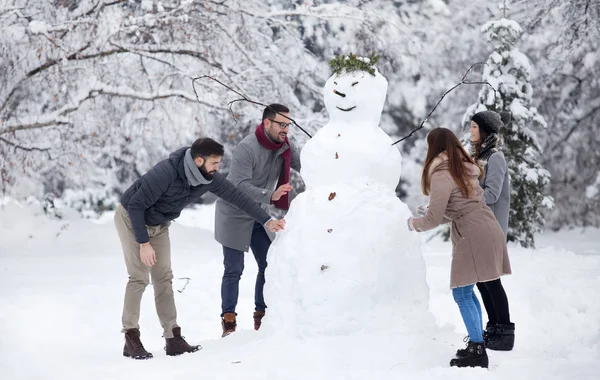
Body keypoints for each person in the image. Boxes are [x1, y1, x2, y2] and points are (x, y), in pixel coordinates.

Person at [115, 137, 285, 359]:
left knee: (164, 278)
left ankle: (172, 337)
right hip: (131, 219)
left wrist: (265, 220)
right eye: (214, 163)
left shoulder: (207, 178)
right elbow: (136, 206)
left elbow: (237, 197)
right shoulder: (167, 172)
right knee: (139, 278)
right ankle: (131, 337)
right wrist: (144, 243)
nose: (218, 167)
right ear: (198, 160)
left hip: (157, 225)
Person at [407, 127, 511, 369]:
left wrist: (412, 224)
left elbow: (434, 220)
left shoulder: (442, 174)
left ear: (433, 147)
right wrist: (431, 213)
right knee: (466, 291)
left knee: (462, 293)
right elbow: (456, 209)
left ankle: (477, 349)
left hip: (473, 234)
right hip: (485, 227)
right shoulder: (461, 169)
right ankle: (477, 345)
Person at [215, 104, 301, 337]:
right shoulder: (247, 148)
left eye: (288, 124)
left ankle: (261, 316)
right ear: (267, 123)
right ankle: (229, 321)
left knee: (268, 263)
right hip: (233, 213)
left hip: (258, 214)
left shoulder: (285, 147)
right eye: (281, 124)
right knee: (234, 269)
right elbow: (239, 186)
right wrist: (269, 195)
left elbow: (306, 164)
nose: (286, 129)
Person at [469, 110, 515, 351]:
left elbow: (492, 194)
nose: (470, 130)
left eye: (474, 126)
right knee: (481, 281)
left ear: (485, 129)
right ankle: (494, 329)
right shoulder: (478, 156)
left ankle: (504, 332)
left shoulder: (495, 157)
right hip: (478, 225)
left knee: (490, 281)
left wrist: (466, 197)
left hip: (491, 227)